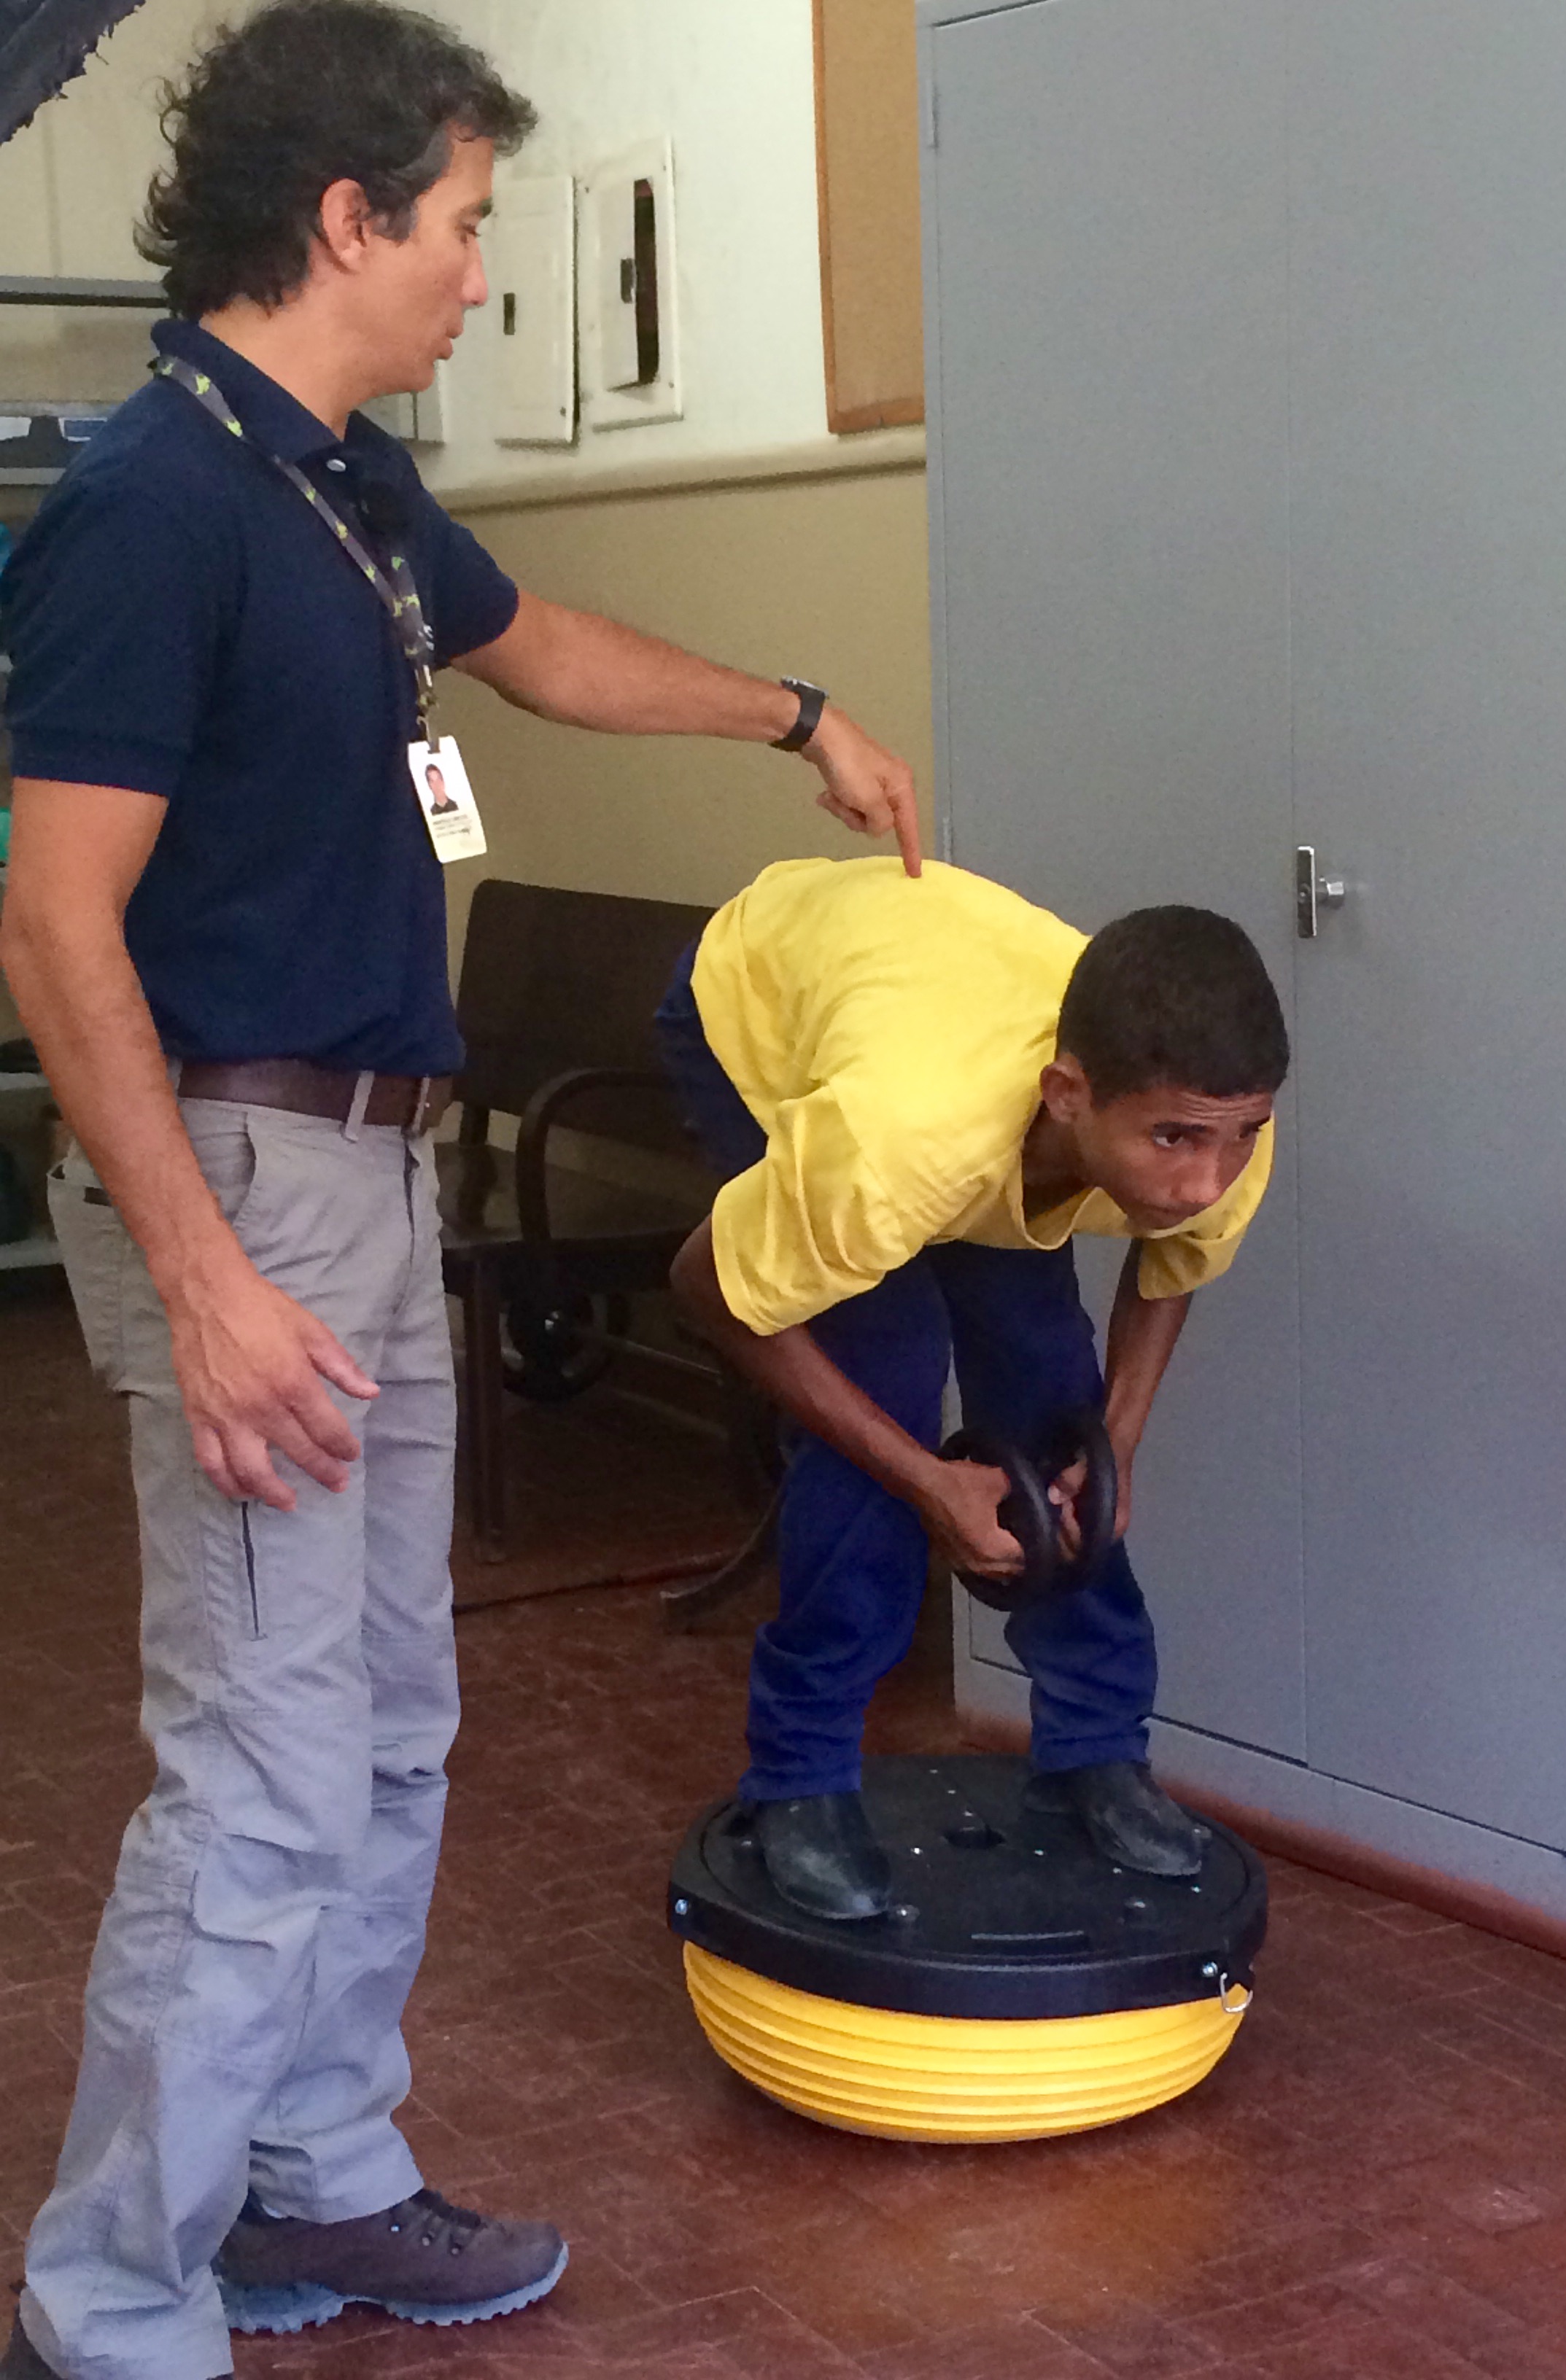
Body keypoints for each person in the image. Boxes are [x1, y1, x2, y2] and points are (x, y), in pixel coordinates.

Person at [0, 5, 919, 2377]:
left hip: (379, 1167)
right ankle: (114, 2300)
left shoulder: (337, 479)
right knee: (264, 1761)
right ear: (346, 218)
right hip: (240, 1174)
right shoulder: (151, 501)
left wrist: (794, 717)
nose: (481, 273)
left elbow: (546, 658)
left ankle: (317, 2176)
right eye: (468, 221)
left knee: (395, 1717)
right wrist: (198, 1277)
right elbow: (52, 921)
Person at [659, 855, 1287, 1923]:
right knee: (885, 1363)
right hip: (763, 998)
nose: (1203, 1184)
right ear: (1070, 1097)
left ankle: (1095, 1749)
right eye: (1174, 1140)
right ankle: (798, 1779)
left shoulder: (1219, 1132)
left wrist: (1116, 1446)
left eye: (1236, 1142)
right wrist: (922, 1483)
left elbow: (1172, 1263)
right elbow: (708, 1292)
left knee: (1050, 1387)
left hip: (951, 1047)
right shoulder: (896, 1142)